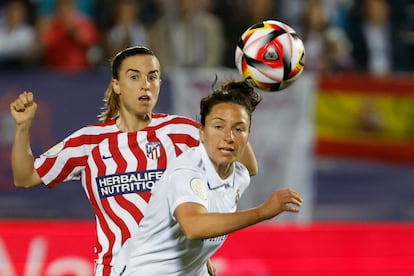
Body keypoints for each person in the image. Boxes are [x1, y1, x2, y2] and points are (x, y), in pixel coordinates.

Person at [9, 46, 258, 276]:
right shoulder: (89, 142)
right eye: (135, 77)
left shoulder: (182, 132)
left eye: (152, 76)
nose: (145, 85)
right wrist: (22, 127)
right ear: (116, 85)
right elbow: (25, 176)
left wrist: (233, 108)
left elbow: (246, 167)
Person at [112, 80, 303, 275]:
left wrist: (234, 101)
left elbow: (250, 168)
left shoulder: (238, 175)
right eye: (218, 126)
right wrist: (263, 211)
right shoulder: (187, 170)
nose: (228, 136)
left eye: (238, 129)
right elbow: (193, 227)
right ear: (201, 133)